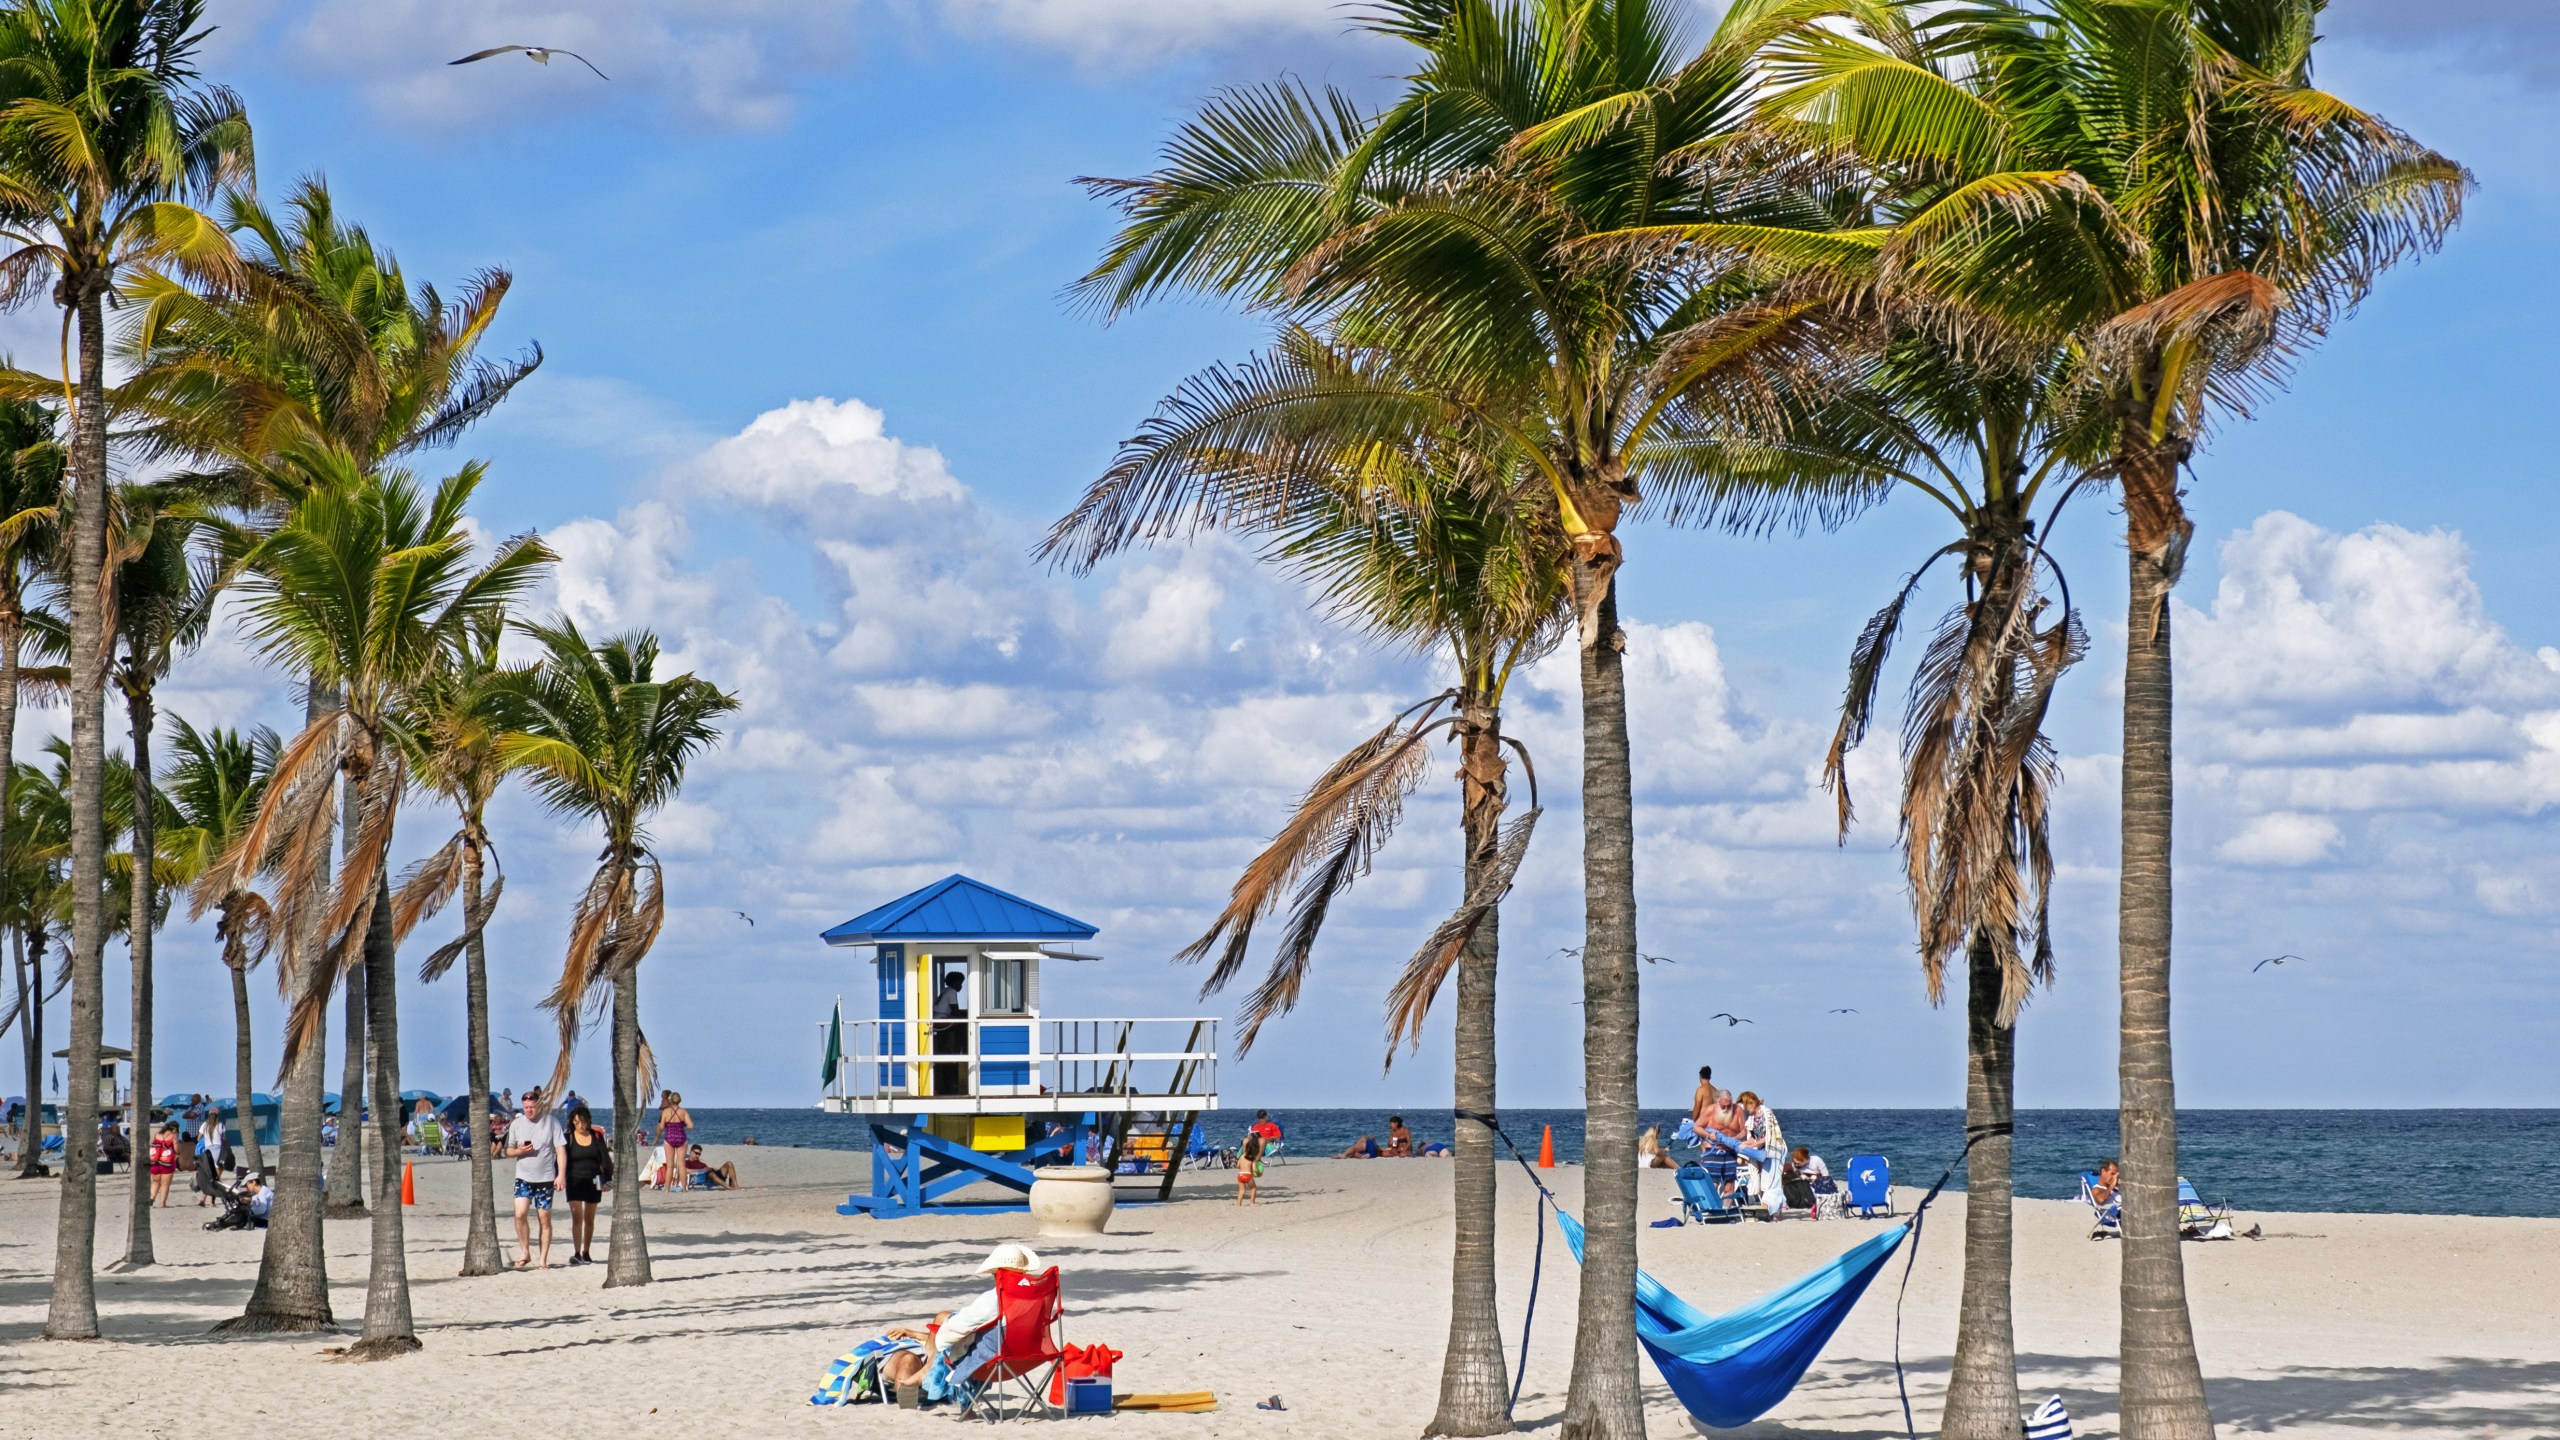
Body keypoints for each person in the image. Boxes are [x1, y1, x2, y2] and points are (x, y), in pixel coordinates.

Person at [505, 1089, 568, 1269]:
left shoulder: (551, 1122)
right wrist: (519, 1151)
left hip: (545, 1178)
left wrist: (561, 1175)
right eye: (526, 1107)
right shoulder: (516, 1124)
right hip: (523, 1177)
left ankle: (543, 1260)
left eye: (532, 1107)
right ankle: (525, 1251)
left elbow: (561, 1150)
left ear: (539, 1105)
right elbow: (508, 1151)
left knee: (544, 1219)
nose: (529, 1110)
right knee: (520, 1214)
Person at [561, 1104, 610, 1266]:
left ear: (588, 1121)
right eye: (576, 1123)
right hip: (574, 1181)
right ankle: (576, 1253)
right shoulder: (568, 1137)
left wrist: (608, 1179)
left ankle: (586, 1252)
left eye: (582, 1122)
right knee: (577, 1217)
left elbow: (605, 1159)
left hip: (593, 1181)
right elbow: (561, 1160)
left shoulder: (596, 1136)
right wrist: (559, 1177)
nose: (580, 1126)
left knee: (590, 1218)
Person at [1735, 1091, 1787, 1217]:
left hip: (1774, 1151)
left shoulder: (1766, 1113)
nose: (1746, 1110)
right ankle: (1776, 1210)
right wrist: (1742, 1145)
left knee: (1771, 1183)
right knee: (1766, 1182)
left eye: (1746, 1106)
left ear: (1751, 1103)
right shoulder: (1753, 1119)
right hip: (1764, 1153)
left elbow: (1769, 1137)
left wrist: (1751, 1145)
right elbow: (1754, 1138)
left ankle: (1767, 1208)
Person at [931, 972, 969, 1096]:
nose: (961, 986)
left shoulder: (945, 990)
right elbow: (956, 1011)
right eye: (960, 983)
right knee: (961, 1032)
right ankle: (961, 1055)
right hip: (942, 1024)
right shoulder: (952, 992)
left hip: (937, 1020)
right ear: (955, 983)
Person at [655, 1090, 692, 1191]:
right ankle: (684, 1189)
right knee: (681, 1165)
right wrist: (682, 1124)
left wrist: (668, 1125)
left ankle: (667, 1189)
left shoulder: (666, 1111)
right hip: (681, 1137)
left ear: (671, 1100)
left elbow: (661, 1126)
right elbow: (691, 1125)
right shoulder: (683, 1111)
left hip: (669, 1137)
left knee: (670, 1165)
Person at [194, 1105, 228, 1206]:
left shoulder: (204, 1125)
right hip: (218, 1151)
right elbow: (224, 1140)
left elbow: (198, 1138)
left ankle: (203, 1198)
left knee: (209, 1176)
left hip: (208, 1152)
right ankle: (212, 1202)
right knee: (216, 1177)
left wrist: (206, 1138)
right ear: (218, 1116)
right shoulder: (221, 1125)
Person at [149, 1122, 180, 1207]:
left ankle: (152, 1198)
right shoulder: (173, 1136)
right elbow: (177, 1150)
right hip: (167, 1163)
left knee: (155, 1182)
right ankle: (162, 1203)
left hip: (154, 1162)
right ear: (174, 1129)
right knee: (165, 1184)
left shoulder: (157, 1134)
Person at [1236, 1126, 1267, 1205]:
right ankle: (1252, 1202)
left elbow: (1237, 1165)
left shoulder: (1242, 1157)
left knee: (1241, 1190)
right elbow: (1254, 1169)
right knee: (1253, 1188)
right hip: (1248, 1175)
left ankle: (1239, 1203)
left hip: (1240, 1175)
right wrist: (1259, 1173)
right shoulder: (1252, 1158)